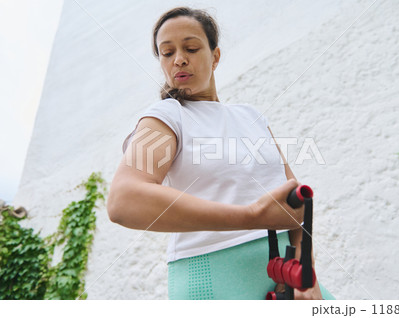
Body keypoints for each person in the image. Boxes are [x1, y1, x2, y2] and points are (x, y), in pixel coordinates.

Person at [107, 6, 333, 300]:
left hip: (286, 274)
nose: (179, 59)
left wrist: (305, 269)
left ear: (215, 57)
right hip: (212, 278)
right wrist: (250, 216)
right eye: (167, 52)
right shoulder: (165, 116)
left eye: (191, 47)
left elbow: (294, 202)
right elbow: (123, 200)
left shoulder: (252, 116)